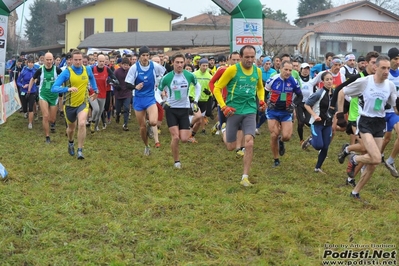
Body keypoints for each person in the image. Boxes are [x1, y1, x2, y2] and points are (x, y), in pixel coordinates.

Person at [337, 55, 397, 200]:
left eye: (388, 68)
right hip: (365, 121)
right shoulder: (365, 82)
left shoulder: (390, 85)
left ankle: (355, 192)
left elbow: (395, 107)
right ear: (375, 67)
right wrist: (339, 113)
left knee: (373, 164)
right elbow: (342, 92)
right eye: (383, 68)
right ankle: (355, 159)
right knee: (376, 158)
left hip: (379, 122)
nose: (386, 71)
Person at [213, 45, 266, 187]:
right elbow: (217, 88)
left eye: (252, 57)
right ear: (241, 57)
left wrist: (261, 100)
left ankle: (245, 177)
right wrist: (224, 106)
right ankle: (222, 128)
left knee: (249, 142)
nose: (250, 60)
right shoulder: (232, 70)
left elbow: (260, 88)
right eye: (247, 57)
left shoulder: (257, 71)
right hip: (233, 111)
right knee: (230, 146)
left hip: (250, 110)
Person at [51, 49, 99, 159]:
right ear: (71, 60)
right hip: (69, 105)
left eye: (80, 60)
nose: (78, 62)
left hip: (83, 103)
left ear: (83, 60)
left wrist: (96, 90)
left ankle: (80, 150)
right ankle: (70, 142)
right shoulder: (66, 72)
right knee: (71, 129)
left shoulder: (87, 70)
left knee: (82, 124)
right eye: (75, 60)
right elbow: (54, 88)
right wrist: (67, 89)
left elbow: (92, 78)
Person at [158, 52, 201, 168]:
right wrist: (162, 102)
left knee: (184, 139)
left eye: (181, 62)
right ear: (172, 63)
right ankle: (177, 161)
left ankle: (187, 127)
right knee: (175, 137)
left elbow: (198, 87)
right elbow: (156, 92)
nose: (179, 65)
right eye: (177, 62)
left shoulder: (189, 75)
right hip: (171, 109)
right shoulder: (167, 78)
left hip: (184, 109)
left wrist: (196, 101)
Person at [125, 46, 166, 156]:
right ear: (139, 56)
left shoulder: (154, 66)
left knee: (153, 122)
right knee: (142, 127)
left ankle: (150, 126)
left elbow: (163, 73)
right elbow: (127, 83)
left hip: (150, 98)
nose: (145, 57)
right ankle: (146, 146)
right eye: (143, 55)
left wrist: (158, 82)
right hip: (138, 99)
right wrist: (135, 87)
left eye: (147, 55)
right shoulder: (134, 68)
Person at [266, 60, 303, 167]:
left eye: (290, 70)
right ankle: (276, 159)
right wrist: (265, 102)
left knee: (287, 136)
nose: (288, 72)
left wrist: (293, 104)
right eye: (285, 69)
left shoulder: (293, 81)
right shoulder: (273, 79)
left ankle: (281, 141)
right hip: (273, 110)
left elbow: (300, 96)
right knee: (274, 134)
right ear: (280, 69)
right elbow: (264, 92)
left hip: (286, 111)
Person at [303, 72, 334, 173]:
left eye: (331, 79)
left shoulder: (334, 94)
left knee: (325, 146)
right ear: (323, 81)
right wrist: (314, 115)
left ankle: (318, 167)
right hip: (317, 123)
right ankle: (311, 141)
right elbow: (307, 105)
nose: (329, 81)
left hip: (328, 124)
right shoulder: (318, 94)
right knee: (318, 146)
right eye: (327, 79)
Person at [28, 52, 62, 143]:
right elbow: (32, 79)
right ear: (44, 60)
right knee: (45, 116)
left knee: (52, 119)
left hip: (54, 96)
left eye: (50, 59)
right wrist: (29, 90)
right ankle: (47, 137)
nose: (49, 61)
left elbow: (65, 78)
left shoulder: (57, 69)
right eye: (47, 59)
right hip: (43, 94)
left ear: (53, 60)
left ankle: (52, 124)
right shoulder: (40, 70)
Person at [380, 47, 399, 177]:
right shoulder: (385, 73)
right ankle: (374, 159)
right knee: (386, 139)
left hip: (394, 111)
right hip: (381, 111)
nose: (398, 61)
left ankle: (390, 160)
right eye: (395, 59)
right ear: (390, 59)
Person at [17, 57, 37, 129]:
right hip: (23, 91)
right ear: (27, 63)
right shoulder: (23, 71)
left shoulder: (35, 71)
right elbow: (18, 81)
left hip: (32, 91)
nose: (31, 64)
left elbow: (36, 81)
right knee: (25, 107)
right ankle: (25, 112)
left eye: (32, 63)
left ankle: (30, 123)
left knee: (31, 108)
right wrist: (22, 85)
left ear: (33, 64)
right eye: (29, 62)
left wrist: (30, 84)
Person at [113, 57, 132, 131]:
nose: (125, 66)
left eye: (127, 65)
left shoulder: (130, 71)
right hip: (118, 93)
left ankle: (125, 124)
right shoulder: (117, 71)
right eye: (124, 65)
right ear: (121, 64)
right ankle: (118, 115)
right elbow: (112, 79)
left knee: (126, 108)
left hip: (127, 93)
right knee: (118, 109)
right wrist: (116, 86)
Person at [296, 63, 312, 146]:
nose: (306, 71)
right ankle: (301, 139)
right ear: (301, 70)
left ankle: (313, 137)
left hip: (308, 103)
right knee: (301, 122)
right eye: (304, 69)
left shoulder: (312, 79)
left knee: (309, 122)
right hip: (299, 103)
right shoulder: (297, 79)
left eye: (307, 69)